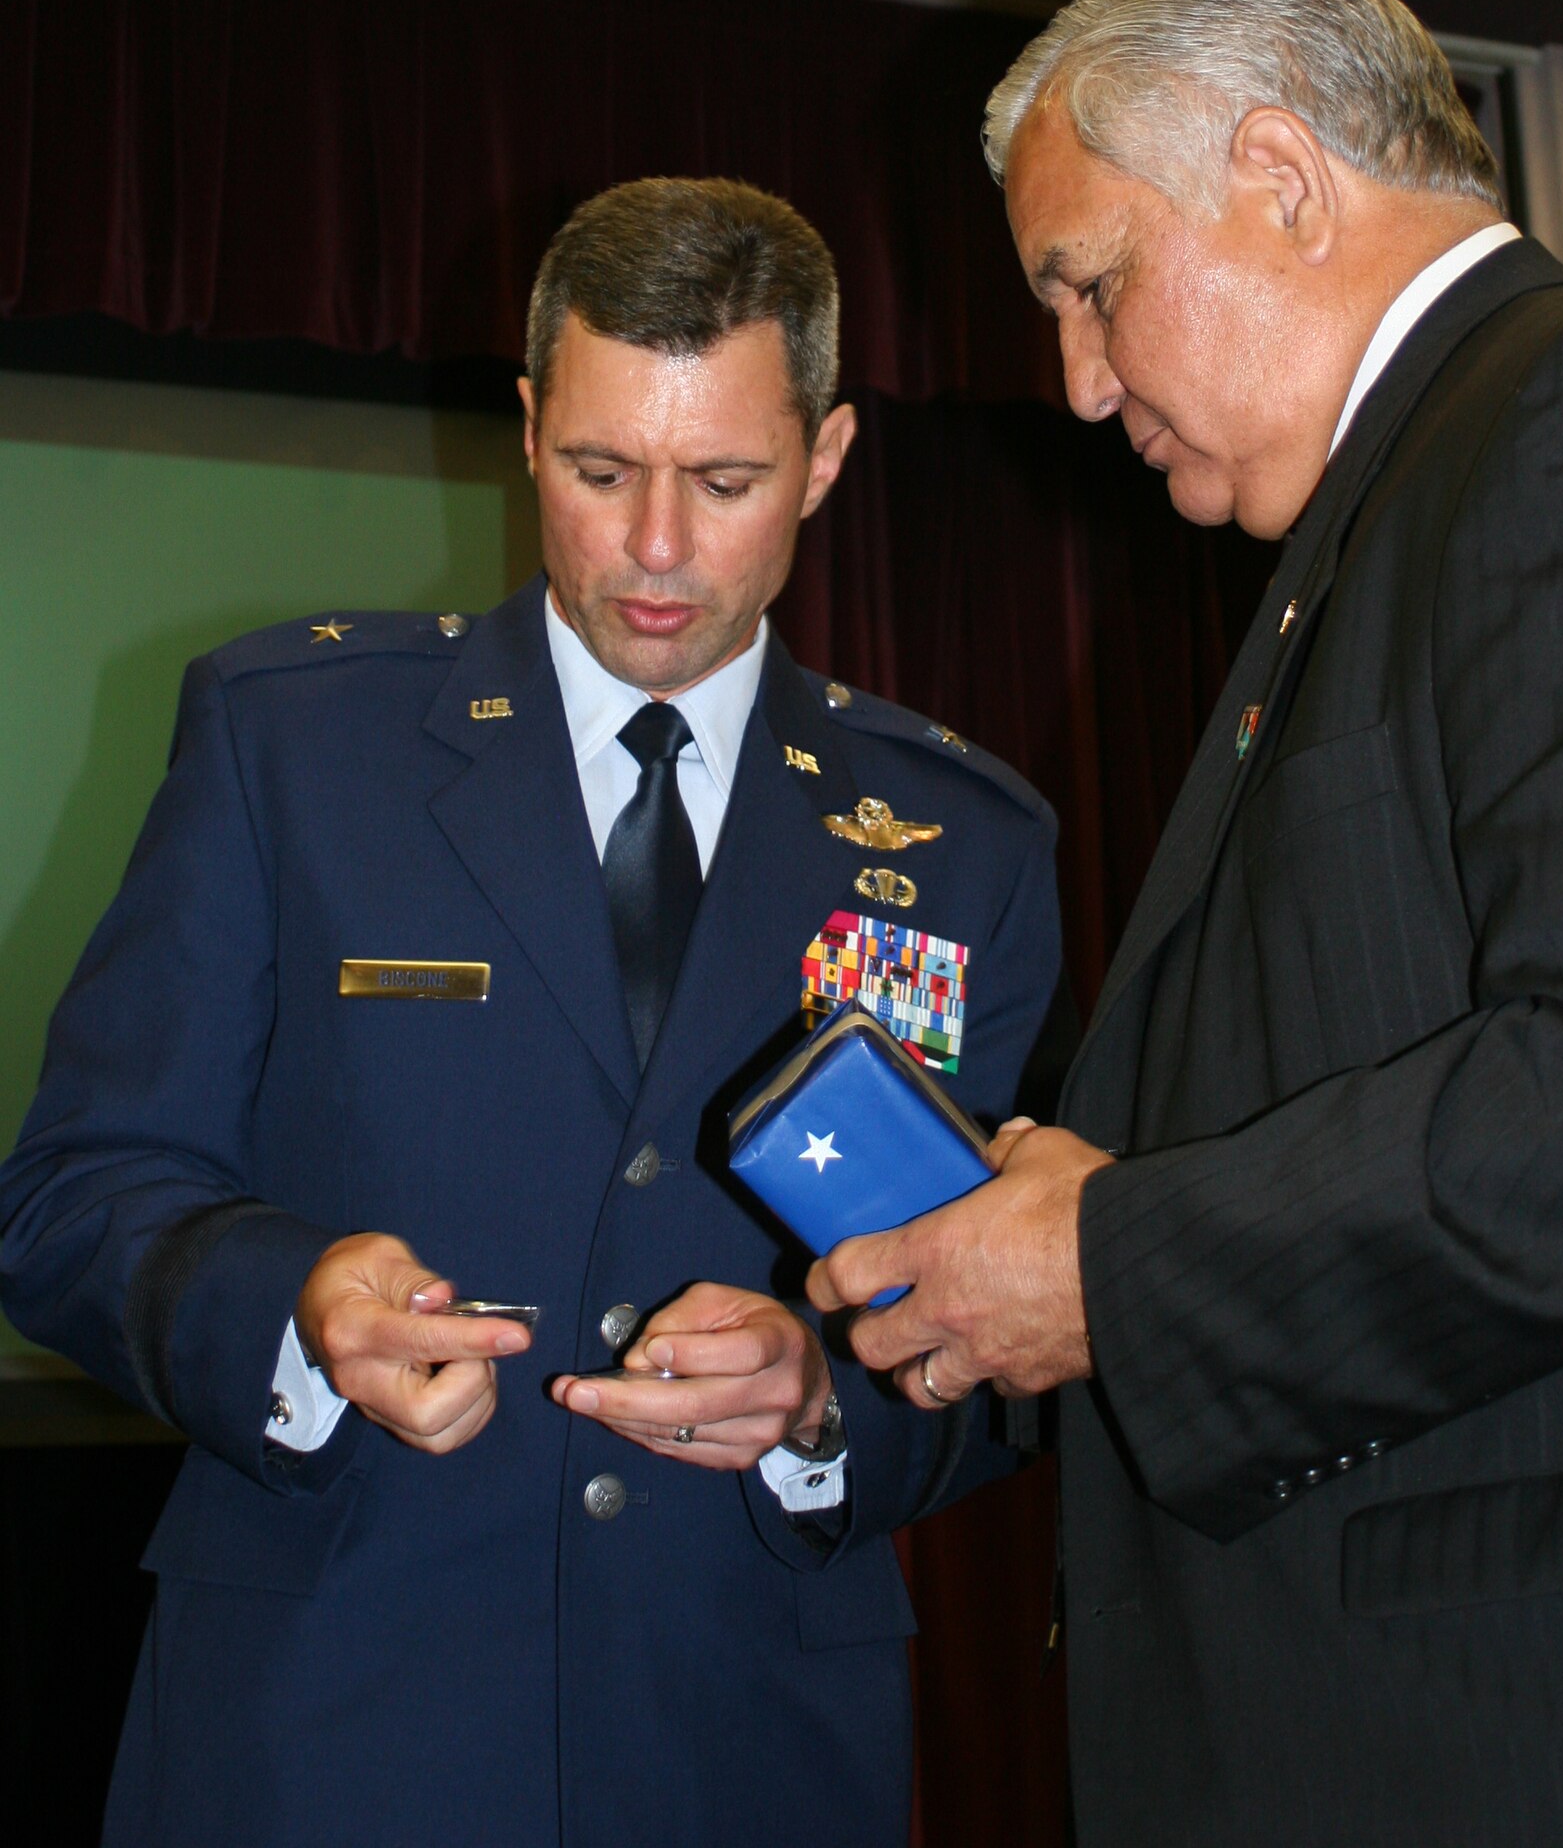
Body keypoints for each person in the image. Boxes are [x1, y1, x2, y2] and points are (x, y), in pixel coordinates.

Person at [808, 0, 1563, 1845]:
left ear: (1278, 179)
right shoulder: (1391, 515)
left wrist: (1115, 1261)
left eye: (1091, 287)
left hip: (1551, 1746)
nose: (1081, 386)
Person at [0, 177, 1061, 1847]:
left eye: (723, 481)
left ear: (830, 457)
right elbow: (69, 1194)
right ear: (524, 428)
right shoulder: (291, 743)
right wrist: (296, 1307)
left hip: (746, 1750)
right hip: (325, 1737)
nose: (653, 545)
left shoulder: (963, 842)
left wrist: (816, 1402)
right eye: (597, 469)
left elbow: (1008, 1353)